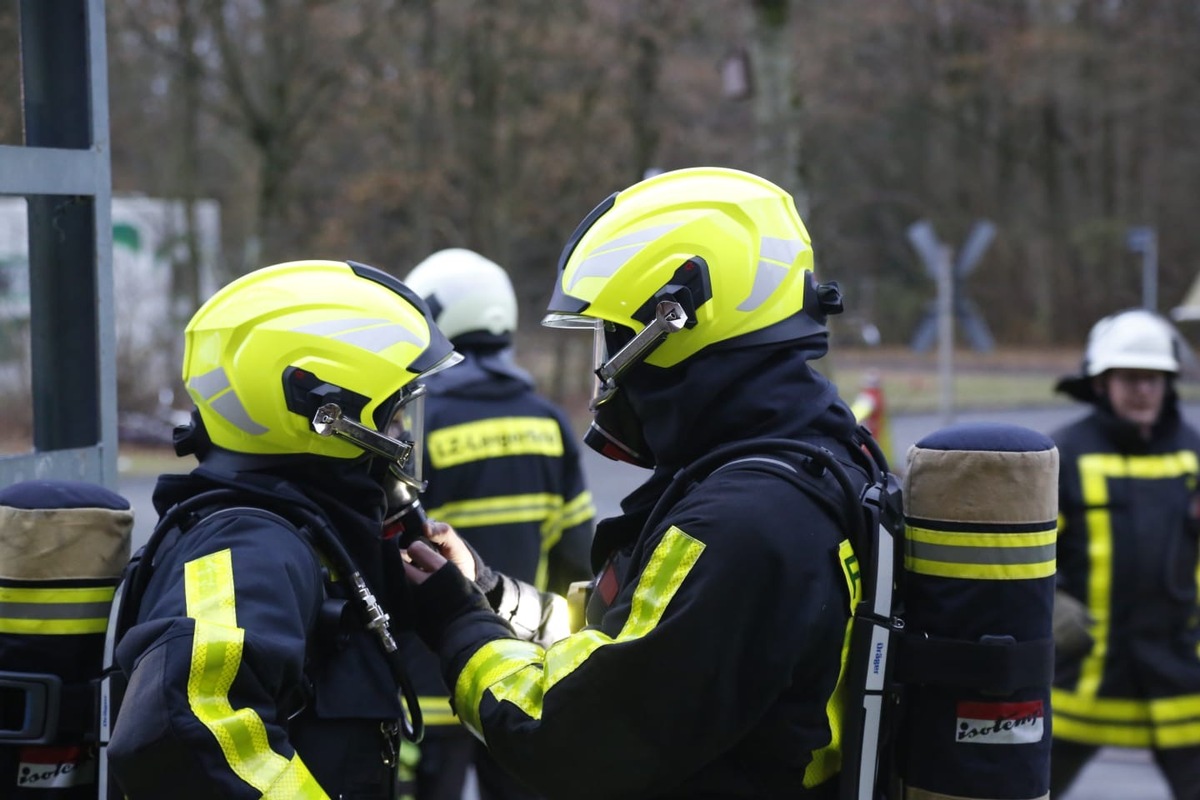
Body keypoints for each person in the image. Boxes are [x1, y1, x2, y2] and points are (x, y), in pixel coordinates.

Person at [403, 166, 876, 799]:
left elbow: (568, 735)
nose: (605, 369)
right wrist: (485, 593)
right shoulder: (807, 461)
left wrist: (457, 626)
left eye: (614, 338)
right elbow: (624, 646)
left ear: (672, 325)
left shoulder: (741, 526)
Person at [105, 259, 462, 800]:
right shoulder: (249, 548)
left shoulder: (309, 537)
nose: (401, 435)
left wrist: (469, 597)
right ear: (325, 413)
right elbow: (187, 734)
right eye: (391, 417)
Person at [400, 248, 596, 800]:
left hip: (429, 678)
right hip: (517, 676)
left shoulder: (419, 423)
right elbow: (577, 559)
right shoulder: (549, 423)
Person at [1049, 308, 1200, 800]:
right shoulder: (1062, 456)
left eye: (1155, 379)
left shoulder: (1193, 454)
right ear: (1101, 383)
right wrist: (1048, 602)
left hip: (1180, 677)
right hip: (1082, 677)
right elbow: (1023, 554)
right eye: (1131, 379)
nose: (1144, 391)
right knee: (1027, 786)